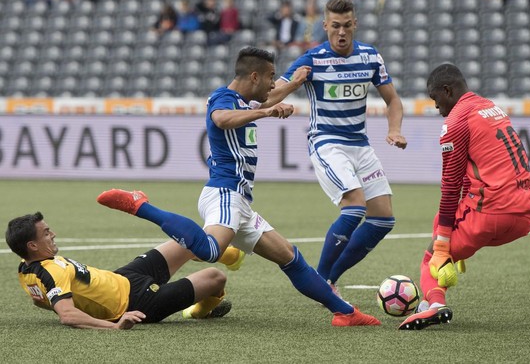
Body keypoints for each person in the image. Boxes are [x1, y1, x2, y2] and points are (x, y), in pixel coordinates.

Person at [98, 46, 382, 326]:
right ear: (255, 77)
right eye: (271, 76)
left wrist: (293, 85)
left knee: (291, 257)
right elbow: (221, 119)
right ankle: (140, 205)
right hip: (225, 193)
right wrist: (265, 114)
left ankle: (345, 313)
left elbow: (268, 100)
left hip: (240, 202)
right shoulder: (223, 98)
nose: (274, 83)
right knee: (209, 250)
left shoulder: (244, 101)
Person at [270, 0, 407, 299]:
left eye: (347, 26)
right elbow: (268, 96)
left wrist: (394, 129)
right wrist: (294, 85)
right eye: (335, 26)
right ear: (325, 26)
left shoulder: (370, 57)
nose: (341, 32)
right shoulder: (312, 59)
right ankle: (320, 283)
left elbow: (393, 100)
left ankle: (328, 278)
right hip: (327, 143)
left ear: (355, 24)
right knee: (355, 207)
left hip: (361, 145)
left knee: (383, 219)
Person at [398, 63, 530, 330]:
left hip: (491, 213)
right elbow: (470, 172)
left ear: (447, 90)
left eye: (435, 99)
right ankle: (443, 275)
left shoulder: (455, 122)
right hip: (525, 215)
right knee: (445, 227)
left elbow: (451, 186)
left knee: (433, 254)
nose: (436, 107)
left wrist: (443, 244)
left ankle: (434, 305)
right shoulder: (492, 107)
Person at [5, 211, 246, 330]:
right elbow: (67, 315)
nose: (52, 233)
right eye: (46, 233)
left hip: (124, 276)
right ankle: (197, 312)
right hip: (137, 302)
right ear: (32, 245)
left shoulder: (25, 269)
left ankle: (231, 255)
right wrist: (116, 325)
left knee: (185, 240)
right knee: (216, 277)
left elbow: (41, 299)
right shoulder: (50, 272)